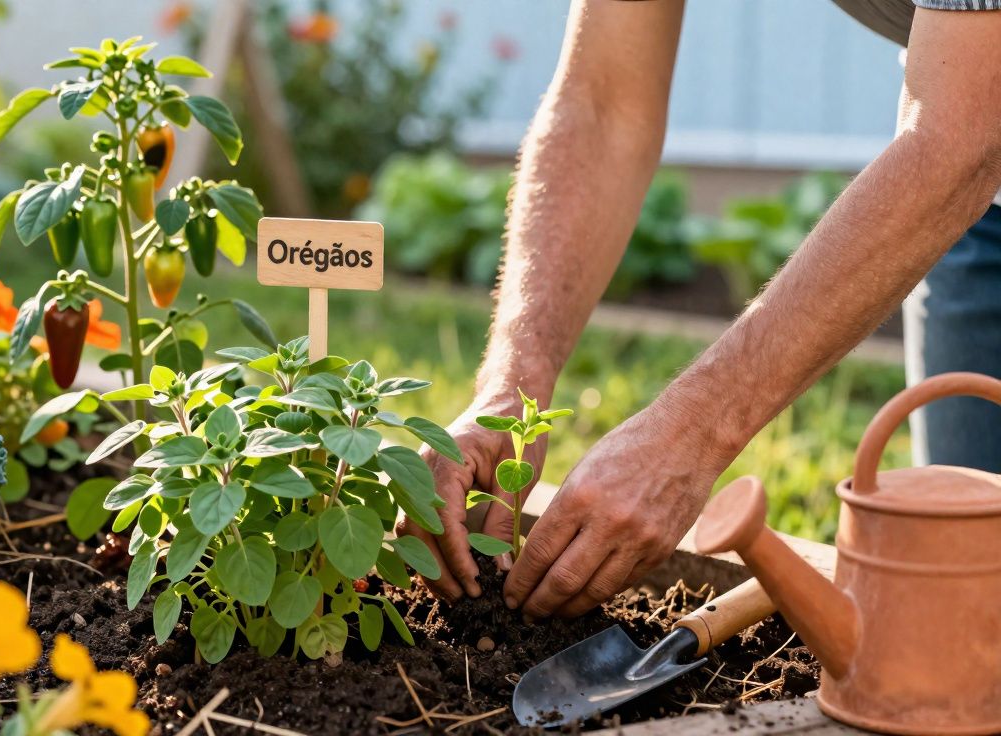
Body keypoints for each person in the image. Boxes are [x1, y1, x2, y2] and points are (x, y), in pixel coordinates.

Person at [400, 0, 1001, 621]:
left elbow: (957, 139)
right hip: (978, 178)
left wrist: (688, 434)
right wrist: (510, 389)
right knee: (969, 605)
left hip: (969, 138)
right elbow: (603, 103)